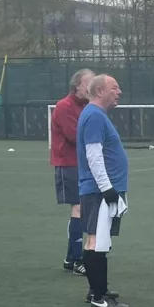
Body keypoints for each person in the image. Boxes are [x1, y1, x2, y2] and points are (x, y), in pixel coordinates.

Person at [77, 74, 130, 307]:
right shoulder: (94, 116)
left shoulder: (95, 115)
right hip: (99, 191)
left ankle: (97, 290)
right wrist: (107, 188)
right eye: (114, 88)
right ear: (99, 91)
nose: (119, 92)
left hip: (103, 189)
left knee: (100, 240)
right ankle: (99, 297)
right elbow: (94, 155)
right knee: (96, 241)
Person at [50, 68, 94, 276]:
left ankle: (70, 259)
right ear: (77, 85)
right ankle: (77, 260)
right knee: (78, 208)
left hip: (83, 164)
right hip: (68, 164)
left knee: (83, 209)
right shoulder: (64, 106)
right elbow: (74, 136)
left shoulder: (88, 106)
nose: (92, 88)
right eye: (89, 83)